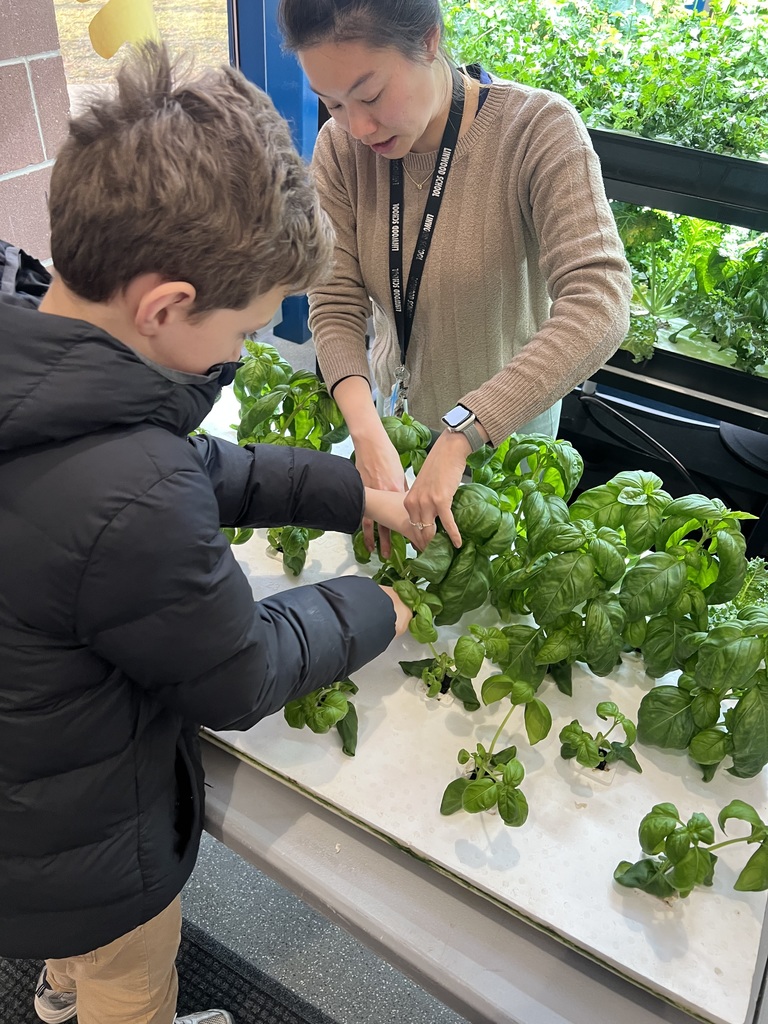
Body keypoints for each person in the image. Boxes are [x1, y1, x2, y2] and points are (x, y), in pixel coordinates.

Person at [0, 41, 418, 1024]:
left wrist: (353, 493)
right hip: (94, 843)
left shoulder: (44, 366)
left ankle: (59, 988)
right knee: (131, 978)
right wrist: (368, 604)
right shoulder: (128, 487)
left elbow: (200, 468)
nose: (238, 354)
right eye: (242, 332)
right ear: (166, 306)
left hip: (25, 797)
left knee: (74, 946)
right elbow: (239, 672)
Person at [277, 0, 633, 551]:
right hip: (393, 422)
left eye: (370, 96)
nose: (359, 126)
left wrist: (465, 429)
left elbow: (600, 303)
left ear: (428, 40)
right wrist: (366, 429)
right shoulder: (341, 149)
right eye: (333, 104)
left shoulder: (535, 130)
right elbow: (336, 298)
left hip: (505, 435)